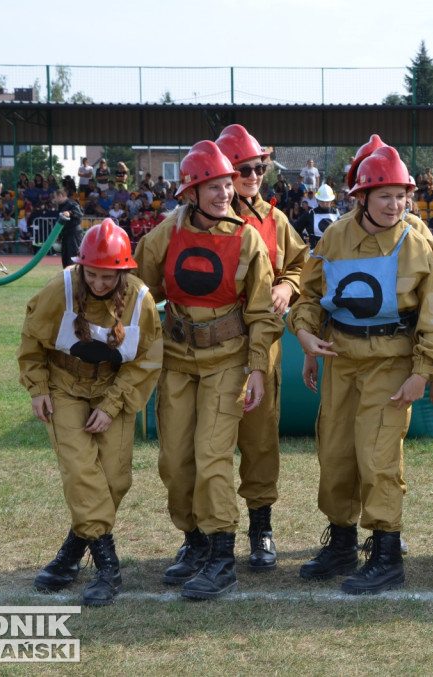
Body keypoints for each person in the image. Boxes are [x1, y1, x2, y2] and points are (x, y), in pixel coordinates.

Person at [288, 145, 433, 595]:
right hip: (342, 363)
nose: (394, 205)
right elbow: (308, 297)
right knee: (336, 454)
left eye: (401, 196)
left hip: (391, 363)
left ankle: (386, 553)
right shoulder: (334, 239)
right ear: (361, 197)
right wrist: (306, 337)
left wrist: (424, 372)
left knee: (377, 456)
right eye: (384, 196)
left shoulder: (416, 243)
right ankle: (342, 541)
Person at [133, 140, 283, 601]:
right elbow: (137, 289)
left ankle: (222, 554)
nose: (223, 193)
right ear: (190, 192)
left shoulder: (248, 236)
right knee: (176, 459)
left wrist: (257, 368)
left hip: (229, 360)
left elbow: (261, 310)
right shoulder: (163, 235)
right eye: (212, 186)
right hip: (178, 359)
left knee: (212, 453)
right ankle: (193, 541)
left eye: (226, 184)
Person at [18, 219, 162, 607]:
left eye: (108, 276)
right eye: (93, 275)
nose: (99, 284)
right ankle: (108, 567)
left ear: (124, 271)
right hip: (64, 388)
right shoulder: (60, 288)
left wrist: (112, 405)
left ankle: (70, 553)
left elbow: (147, 360)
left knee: (114, 479)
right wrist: (37, 388)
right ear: (81, 267)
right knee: (82, 470)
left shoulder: (140, 300)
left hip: (112, 389)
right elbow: (32, 338)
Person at [215, 124, 309, 573]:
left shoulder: (274, 219)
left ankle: (260, 529)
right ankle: (201, 536)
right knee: (201, 447)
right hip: (206, 347)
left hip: (260, 345)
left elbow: (299, 263)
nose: (253, 176)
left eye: (258, 167)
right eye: (242, 169)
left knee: (259, 442)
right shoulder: (197, 218)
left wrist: (289, 285)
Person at [294, 184, 340, 248]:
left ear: (331, 201)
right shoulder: (310, 214)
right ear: (318, 200)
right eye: (322, 201)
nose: (324, 204)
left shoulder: (337, 213)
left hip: (333, 252)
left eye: (327, 202)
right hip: (314, 253)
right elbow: (295, 229)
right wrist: (303, 243)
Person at [54, 189, 84, 268]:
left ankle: (75, 277)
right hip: (66, 235)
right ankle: (67, 277)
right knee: (65, 258)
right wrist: (59, 236)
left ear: (60, 196)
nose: (55, 200)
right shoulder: (61, 206)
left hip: (74, 234)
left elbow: (80, 213)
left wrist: (70, 213)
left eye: (55, 197)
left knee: (73, 257)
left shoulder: (72, 204)